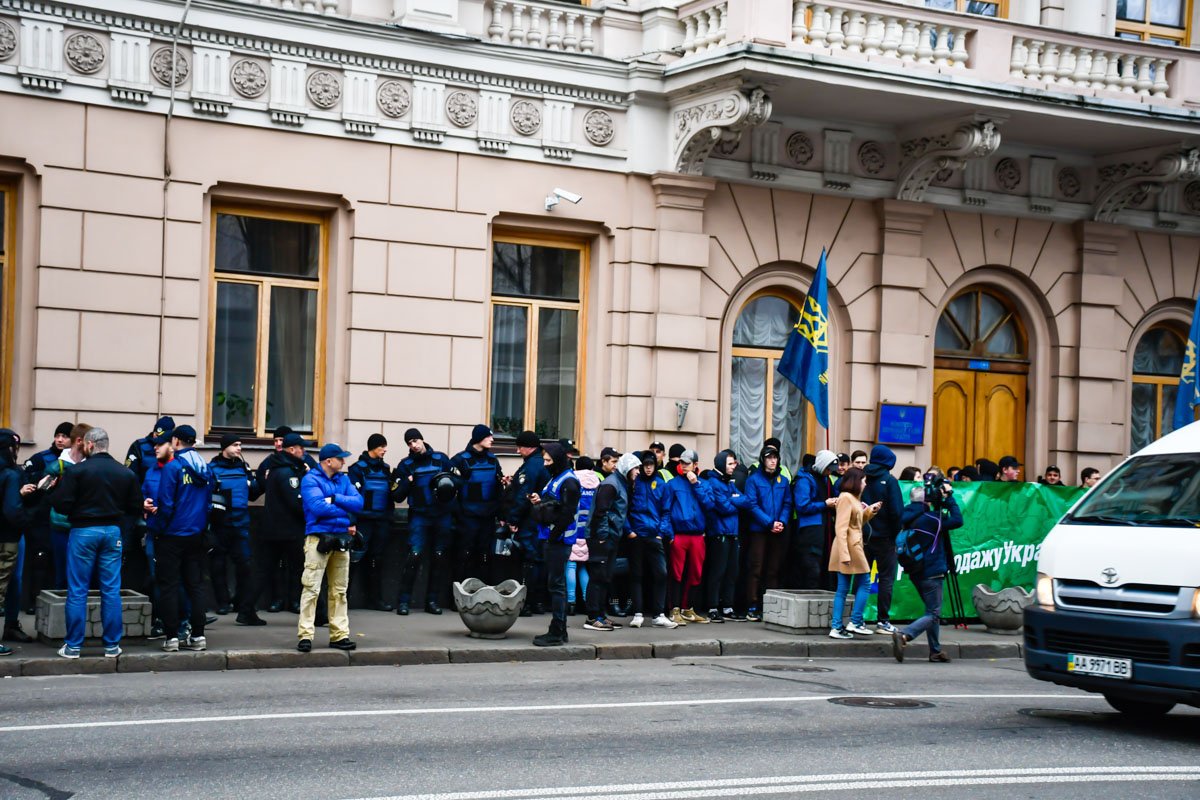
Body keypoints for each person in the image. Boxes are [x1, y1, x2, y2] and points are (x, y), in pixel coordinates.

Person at [51, 428, 142, 659]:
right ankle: (112, 646)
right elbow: (135, 507)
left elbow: (61, 505)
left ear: (90, 444)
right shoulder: (125, 473)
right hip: (113, 531)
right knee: (111, 589)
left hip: (83, 531)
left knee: (77, 589)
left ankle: (73, 646)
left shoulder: (77, 471)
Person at [152, 425, 214, 653]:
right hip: (196, 534)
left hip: (172, 534)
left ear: (176, 441)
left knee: (169, 586)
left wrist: (157, 528)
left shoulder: (173, 467)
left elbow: (166, 503)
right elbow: (209, 502)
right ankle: (198, 636)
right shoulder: (205, 468)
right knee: (195, 586)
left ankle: (171, 637)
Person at [297, 443, 363, 653]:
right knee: (311, 589)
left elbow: (359, 503)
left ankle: (339, 635)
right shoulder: (310, 479)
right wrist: (345, 511)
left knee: (339, 591)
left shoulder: (343, 479)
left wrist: (335, 499)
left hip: (340, 538)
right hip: (318, 539)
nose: (343, 462)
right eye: (340, 458)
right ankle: (305, 635)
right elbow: (317, 507)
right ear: (328, 461)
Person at [892, 473, 963, 664]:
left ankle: (935, 651)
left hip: (916, 572)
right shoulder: (932, 519)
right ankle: (905, 635)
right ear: (927, 500)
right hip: (932, 572)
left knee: (931, 612)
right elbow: (958, 520)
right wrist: (949, 498)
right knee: (933, 613)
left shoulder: (908, 517)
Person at [391, 428, 456, 615]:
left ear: (421, 439)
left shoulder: (441, 459)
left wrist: (447, 485)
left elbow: (458, 482)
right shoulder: (406, 465)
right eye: (409, 443)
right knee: (414, 556)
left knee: (439, 556)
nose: (413, 445)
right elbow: (396, 495)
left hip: (441, 514)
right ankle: (404, 602)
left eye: (415, 440)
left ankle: (432, 601)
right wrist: (408, 481)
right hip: (419, 516)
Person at [208, 433, 265, 626]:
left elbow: (253, 494)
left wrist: (261, 482)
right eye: (235, 445)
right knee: (218, 564)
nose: (239, 448)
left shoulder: (244, 467)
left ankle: (241, 601)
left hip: (241, 523)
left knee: (245, 565)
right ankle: (223, 602)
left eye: (240, 445)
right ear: (225, 447)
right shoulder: (212, 468)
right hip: (220, 524)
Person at [528, 443, 581, 646]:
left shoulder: (569, 482)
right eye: (544, 459)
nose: (545, 464)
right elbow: (554, 505)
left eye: (548, 460)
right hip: (553, 538)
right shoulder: (557, 478)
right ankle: (560, 630)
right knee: (556, 585)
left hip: (559, 540)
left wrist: (553, 536)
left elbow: (567, 513)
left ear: (557, 460)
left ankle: (557, 631)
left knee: (557, 586)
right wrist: (539, 501)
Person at [582, 451, 640, 632]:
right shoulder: (611, 484)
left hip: (610, 536)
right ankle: (592, 617)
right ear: (627, 468)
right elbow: (601, 512)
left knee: (605, 577)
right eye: (635, 468)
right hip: (601, 538)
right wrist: (602, 537)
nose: (638, 471)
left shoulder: (620, 483)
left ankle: (600, 614)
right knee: (598, 577)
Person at [260, 433, 311, 613]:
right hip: (288, 528)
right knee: (294, 567)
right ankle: (289, 601)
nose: (303, 451)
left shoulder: (280, 466)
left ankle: (248, 608)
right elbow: (296, 501)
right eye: (301, 448)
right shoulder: (286, 471)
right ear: (292, 449)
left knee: (270, 568)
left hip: (278, 527)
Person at [742, 444, 793, 622]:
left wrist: (782, 522)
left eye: (775, 458)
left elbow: (787, 503)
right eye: (769, 458)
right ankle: (752, 605)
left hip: (777, 530)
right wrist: (769, 522)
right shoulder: (753, 480)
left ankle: (771, 606)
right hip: (759, 530)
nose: (772, 461)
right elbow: (752, 505)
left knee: (773, 569)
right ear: (762, 460)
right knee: (756, 568)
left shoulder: (783, 481)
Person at [828, 467, 880, 639]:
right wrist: (844, 554)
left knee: (843, 588)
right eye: (863, 481)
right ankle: (855, 621)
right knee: (864, 582)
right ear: (856, 482)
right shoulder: (847, 498)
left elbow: (855, 523)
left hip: (849, 546)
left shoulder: (850, 498)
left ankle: (837, 627)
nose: (865, 484)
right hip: (851, 547)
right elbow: (841, 528)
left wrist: (870, 511)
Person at [664, 449, 713, 626]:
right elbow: (666, 511)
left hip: (697, 535)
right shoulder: (672, 484)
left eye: (687, 463)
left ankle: (687, 608)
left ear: (695, 465)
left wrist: (696, 484)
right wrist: (670, 535)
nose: (684, 466)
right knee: (676, 573)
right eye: (682, 463)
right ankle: (674, 609)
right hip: (679, 535)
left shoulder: (704, 484)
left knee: (696, 573)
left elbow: (709, 505)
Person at [450, 424, 503, 584]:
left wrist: (500, 513)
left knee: (485, 556)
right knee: (464, 555)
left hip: (488, 518)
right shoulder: (460, 460)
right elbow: (449, 490)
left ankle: (484, 591)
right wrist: (459, 513)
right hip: (467, 518)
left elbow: (498, 487)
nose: (492, 440)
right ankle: (459, 592)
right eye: (488, 436)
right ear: (479, 438)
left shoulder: (492, 460)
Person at [347, 434, 394, 611]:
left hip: (381, 521)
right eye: (382, 446)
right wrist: (352, 522)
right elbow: (352, 497)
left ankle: (376, 599)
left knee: (377, 559)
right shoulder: (357, 469)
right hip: (363, 521)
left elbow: (389, 495)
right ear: (373, 448)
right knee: (354, 559)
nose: (385, 450)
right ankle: (343, 599)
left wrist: (388, 517)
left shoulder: (385, 469)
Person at [627, 451, 674, 628]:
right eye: (645, 465)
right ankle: (638, 613)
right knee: (636, 574)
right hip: (637, 534)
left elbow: (666, 511)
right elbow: (625, 508)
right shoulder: (634, 483)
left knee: (661, 573)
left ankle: (658, 614)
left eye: (651, 465)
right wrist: (629, 531)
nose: (648, 468)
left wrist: (661, 533)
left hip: (654, 535)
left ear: (655, 466)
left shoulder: (661, 485)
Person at [503, 431, 549, 615]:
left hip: (529, 520)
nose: (517, 450)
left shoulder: (530, 467)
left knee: (529, 561)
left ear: (529, 447)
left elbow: (523, 496)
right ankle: (538, 602)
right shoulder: (543, 463)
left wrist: (513, 519)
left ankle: (526, 603)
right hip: (542, 520)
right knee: (539, 560)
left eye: (520, 447)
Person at [701, 449, 749, 623]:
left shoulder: (729, 482)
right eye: (730, 463)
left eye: (734, 463)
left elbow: (745, 500)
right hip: (719, 533)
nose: (733, 466)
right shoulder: (714, 483)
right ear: (722, 465)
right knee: (718, 572)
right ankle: (713, 607)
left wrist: (733, 499)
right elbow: (723, 507)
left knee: (732, 572)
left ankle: (728, 607)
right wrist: (734, 500)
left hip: (732, 532)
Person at [861, 444, 904, 635]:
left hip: (864, 537)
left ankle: (856, 618)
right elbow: (897, 512)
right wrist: (895, 535)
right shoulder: (890, 481)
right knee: (886, 579)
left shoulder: (863, 478)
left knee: (861, 578)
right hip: (886, 539)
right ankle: (883, 621)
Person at [792, 450, 839, 591]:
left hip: (825, 527)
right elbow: (802, 505)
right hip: (810, 529)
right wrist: (825, 504)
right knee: (811, 565)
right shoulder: (804, 480)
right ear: (822, 466)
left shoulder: (826, 480)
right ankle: (809, 593)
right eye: (828, 469)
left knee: (822, 564)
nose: (830, 472)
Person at [0, 430, 29, 655]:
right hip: (7, 537)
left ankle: (10, 625)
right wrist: (27, 520)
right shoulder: (11, 474)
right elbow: (12, 510)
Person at [565, 457, 600, 615]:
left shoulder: (572, 480)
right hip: (589, 531)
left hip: (573, 529)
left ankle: (571, 602)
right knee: (583, 566)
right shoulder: (598, 482)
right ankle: (587, 601)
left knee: (571, 564)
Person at [124, 416, 175, 484]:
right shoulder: (139, 445)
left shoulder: (174, 447)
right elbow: (129, 473)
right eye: (155, 432)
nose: (155, 435)